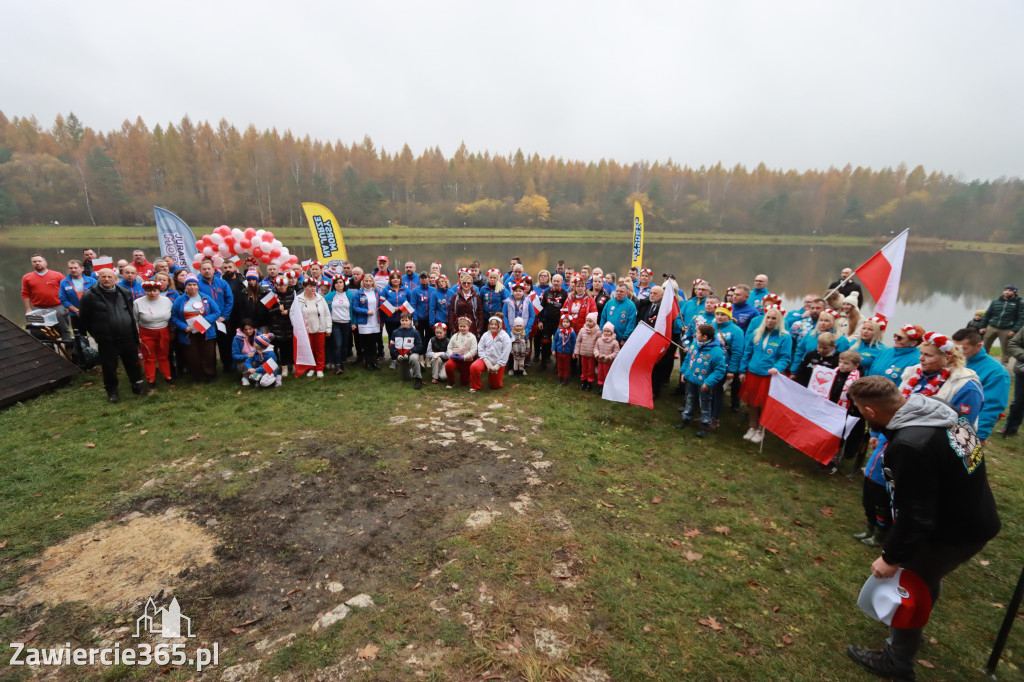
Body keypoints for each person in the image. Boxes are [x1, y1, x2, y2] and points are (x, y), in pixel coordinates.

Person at [845, 376, 1000, 682]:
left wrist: (891, 557)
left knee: (910, 583)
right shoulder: (939, 408)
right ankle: (912, 625)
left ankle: (897, 660)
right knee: (927, 578)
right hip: (974, 515)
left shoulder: (910, 446)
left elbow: (917, 516)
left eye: (861, 411)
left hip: (949, 532)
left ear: (871, 411)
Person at [79, 268, 150, 402]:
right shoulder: (89, 296)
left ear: (115, 279)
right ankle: (112, 392)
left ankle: (137, 386)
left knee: (133, 363)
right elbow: (84, 318)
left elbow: (130, 313)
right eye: (103, 277)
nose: (107, 279)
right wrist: (97, 333)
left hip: (127, 336)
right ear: (98, 278)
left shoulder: (124, 292)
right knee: (109, 366)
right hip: (107, 339)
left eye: (109, 277)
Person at [899, 332, 983, 428]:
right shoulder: (912, 373)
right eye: (921, 353)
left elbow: (961, 429)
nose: (920, 358)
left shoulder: (967, 387)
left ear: (947, 359)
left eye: (928, 355)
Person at [739, 304, 793, 444]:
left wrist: (777, 367)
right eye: (768, 317)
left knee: (764, 404)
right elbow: (747, 353)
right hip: (753, 373)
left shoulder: (784, 337)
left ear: (779, 320)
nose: (770, 320)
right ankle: (752, 426)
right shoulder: (756, 333)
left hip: (769, 376)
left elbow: (785, 357)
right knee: (752, 403)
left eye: (774, 318)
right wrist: (742, 370)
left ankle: (761, 430)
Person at [952, 328, 1010, 442]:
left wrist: (978, 436)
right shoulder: (952, 360)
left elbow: (991, 407)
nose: (958, 352)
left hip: (967, 431)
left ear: (978, 346)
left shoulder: (996, 372)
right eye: (955, 348)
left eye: (964, 349)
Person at [677, 323, 726, 438]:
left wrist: (708, 382)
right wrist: (683, 372)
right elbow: (688, 359)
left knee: (704, 403)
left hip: (704, 383)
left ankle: (705, 424)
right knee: (689, 398)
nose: (695, 334)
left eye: (698, 333)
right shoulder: (695, 344)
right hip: (691, 379)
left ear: (705, 337)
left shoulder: (716, 351)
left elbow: (720, 370)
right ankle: (686, 417)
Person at [171, 274, 221, 383]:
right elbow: (173, 317)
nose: (192, 287)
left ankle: (209, 375)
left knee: (208, 354)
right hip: (189, 332)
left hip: (206, 331)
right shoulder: (179, 300)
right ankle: (195, 376)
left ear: (198, 286)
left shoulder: (206, 298)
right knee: (192, 355)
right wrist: (184, 327)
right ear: (185, 286)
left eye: (194, 284)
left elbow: (217, 312)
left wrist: (204, 321)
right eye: (189, 284)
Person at [134, 280, 174, 388]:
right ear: (145, 291)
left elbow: (172, 315)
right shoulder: (138, 302)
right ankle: (151, 379)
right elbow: (135, 320)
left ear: (159, 290)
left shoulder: (166, 300)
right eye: (149, 290)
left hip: (163, 332)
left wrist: (172, 330)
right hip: (146, 333)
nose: (152, 293)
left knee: (163, 356)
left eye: (155, 290)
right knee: (149, 357)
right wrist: (137, 335)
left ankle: (167, 376)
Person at [197, 259, 234, 373]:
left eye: (209, 269)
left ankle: (228, 367)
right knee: (208, 347)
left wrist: (224, 316)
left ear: (213, 270)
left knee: (225, 345)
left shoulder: (222, 283)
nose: (207, 271)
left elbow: (229, 300)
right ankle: (210, 370)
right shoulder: (197, 284)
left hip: (222, 320)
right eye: (204, 269)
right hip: (206, 321)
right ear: (200, 271)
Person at [22, 254, 70, 337]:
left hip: (58, 306)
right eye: (34, 262)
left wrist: (67, 305)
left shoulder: (57, 275)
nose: (37, 263)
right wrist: (28, 308)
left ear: (45, 263)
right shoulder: (27, 277)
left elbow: (66, 290)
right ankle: (47, 344)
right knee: (41, 331)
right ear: (32, 264)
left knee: (64, 329)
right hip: (38, 308)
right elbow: (25, 293)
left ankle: (67, 343)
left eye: (39, 261)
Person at [294, 278, 332, 378]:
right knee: (309, 350)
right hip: (305, 330)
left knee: (320, 349)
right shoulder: (298, 299)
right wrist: (298, 328)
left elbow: (327, 314)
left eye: (314, 286)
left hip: (319, 328)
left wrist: (328, 328)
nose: (313, 289)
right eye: (310, 286)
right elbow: (293, 314)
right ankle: (311, 367)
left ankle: (319, 368)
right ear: (304, 287)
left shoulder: (320, 299)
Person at [979, 284, 1022, 367]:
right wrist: (982, 326)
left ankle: (1003, 365)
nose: (1007, 292)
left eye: (1010, 291)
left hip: (1007, 329)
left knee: (1006, 349)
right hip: (992, 327)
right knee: (985, 346)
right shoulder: (995, 302)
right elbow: (987, 315)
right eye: (1006, 290)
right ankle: (982, 363)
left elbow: (1021, 318)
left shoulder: (1019, 303)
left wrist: (1014, 330)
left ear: (1014, 292)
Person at [469, 316, 511, 393]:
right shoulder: (486, 335)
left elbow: (505, 353)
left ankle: (494, 376)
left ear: (500, 325)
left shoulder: (505, 336)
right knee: (474, 366)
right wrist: (486, 361)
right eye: (491, 324)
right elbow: (480, 348)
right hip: (486, 360)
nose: (493, 326)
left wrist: (497, 365)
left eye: (495, 324)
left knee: (495, 386)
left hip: (498, 362)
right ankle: (475, 386)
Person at [352, 274, 385, 371]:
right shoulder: (359, 293)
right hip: (364, 323)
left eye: (370, 281)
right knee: (366, 344)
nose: (368, 283)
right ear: (363, 282)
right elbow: (355, 307)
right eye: (366, 281)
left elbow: (381, 305)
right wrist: (366, 311)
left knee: (374, 343)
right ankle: (368, 363)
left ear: (373, 282)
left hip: (375, 322)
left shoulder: (377, 292)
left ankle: (374, 362)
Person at [59, 259, 97, 337]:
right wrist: (76, 310)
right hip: (75, 315)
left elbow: (98, 296)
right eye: (71, 268)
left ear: (82, 268)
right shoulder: (64, 282)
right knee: (80, 338)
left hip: (92, 314)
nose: (73, 270)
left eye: (75, 268)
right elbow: (63, 299)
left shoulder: (92, 281)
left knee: (97, 336)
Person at [539, 274, 569, 369]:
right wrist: (540, 320)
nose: (556, 283)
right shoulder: (547, 292)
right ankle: (543, 363)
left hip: (559, 323)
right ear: (551, 281)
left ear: (562, 282)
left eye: (558, 281)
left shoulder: (565, 294)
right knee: (545, 342)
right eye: (554, 281)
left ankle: (557, 365)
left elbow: (566, 310)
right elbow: (541, 307)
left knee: (559, 343)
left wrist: (563, 323)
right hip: (547, 322)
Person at [267, 276, 296, 376]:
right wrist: (278, 310)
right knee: (282, 348)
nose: (280, 287)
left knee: (291, 347)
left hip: (290, 325)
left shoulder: (293, 294)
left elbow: (297, 308)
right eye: (278, 285)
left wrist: (288, 311)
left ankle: (294, 364)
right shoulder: (272, 295)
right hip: (278, 327)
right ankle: (284, 366)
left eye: (282, 285)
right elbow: (268, 311)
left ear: (287, 285)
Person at [325, 276, 354, 374]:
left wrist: (353, 323)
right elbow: (325, 310)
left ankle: (343, 363)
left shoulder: (349, 295)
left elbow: (353, 310)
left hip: (346, 323)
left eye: (341, 282)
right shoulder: (329, 296)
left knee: (345, 345)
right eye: (336, 283)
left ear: (344, 283)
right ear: (334, 285)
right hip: (335, 324)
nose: (339, 284)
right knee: (338, 344)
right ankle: (337, 366)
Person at [390, 312, 424, 389]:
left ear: (410, 321)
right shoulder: (395, 332)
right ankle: (418, 367)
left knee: (414, 358)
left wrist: (409, 353)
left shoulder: (415, 332)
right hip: (401, 357)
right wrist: (397, 355)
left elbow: (419, 346)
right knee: (407, 378)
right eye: (402, 320)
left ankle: (418, 379)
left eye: (406, 320)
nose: (404, 322)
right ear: (400, 321)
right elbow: (391, 346)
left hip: (411, 354)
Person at [445, 317, 478, 388]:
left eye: (464, 326)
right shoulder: (454, 336)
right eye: (460, 326)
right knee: (448, 365)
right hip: (455, 358)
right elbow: (449, 347)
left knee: (465, 382)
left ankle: (467, 378)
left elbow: (473, 350)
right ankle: (451, 381)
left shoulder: (472, 337)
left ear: (468, 327)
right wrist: (451, 355)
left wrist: (463, 357)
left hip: (466, 360)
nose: (462, 328)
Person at [573, 311, 601, 391]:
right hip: (583, 353)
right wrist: (576, 351)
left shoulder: (597, 332)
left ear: (594, 322)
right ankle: (583, 381)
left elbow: (599, 343)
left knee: (590, 369)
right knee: (584, 368)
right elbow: (578, 341)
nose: (588, 323)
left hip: (591, 354)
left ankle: (589, 382)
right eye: (587, 321)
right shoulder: (582, 330)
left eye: (590, 321)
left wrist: (597, 353)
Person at [552, 314, 577, 386]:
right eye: (564, 322)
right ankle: (560, 376)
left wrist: (574, 352)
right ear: (561, 322)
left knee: (566, 366)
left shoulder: (572, 332)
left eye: (567, 322)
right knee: (559, 365)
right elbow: (555, 341)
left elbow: (574, 343)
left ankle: (566, 377)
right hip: (559, 351)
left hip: (567, 352)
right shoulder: (559, 331)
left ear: (570, 323)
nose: (565, 323)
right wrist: (553, 349)